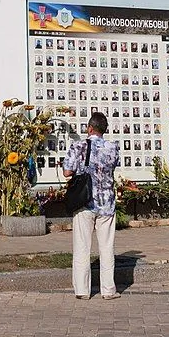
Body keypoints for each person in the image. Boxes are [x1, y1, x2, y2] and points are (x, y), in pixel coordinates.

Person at [63, 111, 121, 300]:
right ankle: (108, 290)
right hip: (107, 204)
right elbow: (112, 167)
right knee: (107, 248)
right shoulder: (113, 148)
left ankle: (82, 291)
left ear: (89, 128)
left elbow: (67, 172)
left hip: (85, 202)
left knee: (82, 247)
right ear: (104, 130)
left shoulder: (78, 146)